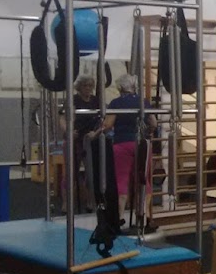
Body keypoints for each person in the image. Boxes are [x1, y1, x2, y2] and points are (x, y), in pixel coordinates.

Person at [105, 74, 158, 232]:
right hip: (141, 144)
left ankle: (119, 218)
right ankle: (145, 217)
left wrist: (98, 130)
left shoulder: (116, 103)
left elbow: (108, 124)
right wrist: (148, 131)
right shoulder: (143, 102)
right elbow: (153, 122)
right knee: (144, 179)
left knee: (121, 180)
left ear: (121, 88)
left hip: (121, 143)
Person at [64, 76, 102, 212]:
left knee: (91, 173)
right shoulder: (73, 100)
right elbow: (62, 117)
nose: (88, 88)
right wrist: (68, 131)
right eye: (85, 86)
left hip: (90, 139)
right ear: (79, 87)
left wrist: (96, 132)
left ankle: (90, 201)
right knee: (70, 172)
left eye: (90, 86)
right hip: (75, 139)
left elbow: (102, 120)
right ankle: (66, 203)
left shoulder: (96, 101)